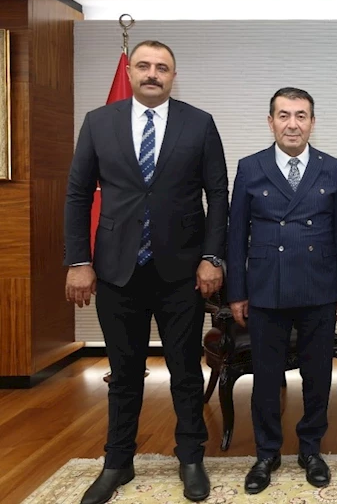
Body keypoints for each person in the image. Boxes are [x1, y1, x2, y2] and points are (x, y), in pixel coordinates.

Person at [64, 40, 229, 504]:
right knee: (124, 373)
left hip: (181, 272)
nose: (152, 73)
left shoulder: (199, 123)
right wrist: (78, 261)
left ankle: (191, 457)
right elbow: (78, 194)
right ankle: (118, 461)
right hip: (117, 271)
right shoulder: (99, 122)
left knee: (185, 371)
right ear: (131, 72)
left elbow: (219, 194)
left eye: (162, 67)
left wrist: (212, 257)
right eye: (144, 66)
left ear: (174, 76)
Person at [226, 87, 337, 494]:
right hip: (266, 289)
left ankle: (311, 449)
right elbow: (235, 234)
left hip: (319, 287)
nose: (292, 124)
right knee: (265, 378)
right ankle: (266, 453)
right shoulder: (250, 167)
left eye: (300, 115)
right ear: (270, 122)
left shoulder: (332, 168)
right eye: (284, 115)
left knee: (317, 376)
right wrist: (237, 292)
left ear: (312, 122)